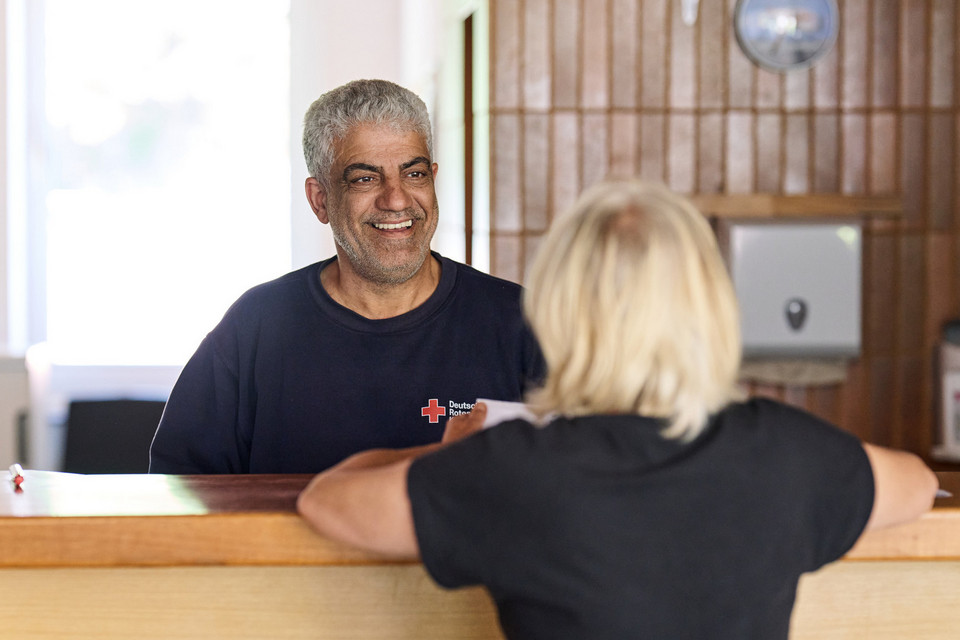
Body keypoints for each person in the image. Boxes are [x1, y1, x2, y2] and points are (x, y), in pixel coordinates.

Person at [296, 179, 939, 639]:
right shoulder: (788, 452)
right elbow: (917, 485)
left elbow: (327, 501)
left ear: (560, 312)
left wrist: (452, 452)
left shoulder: (510, 470)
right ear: (709, 306)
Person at [149, 79, 544, 474]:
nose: (397, 199)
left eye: (415, 174)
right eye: (364, 178)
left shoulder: (520, 323)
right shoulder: (256, 326)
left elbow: (583, 484)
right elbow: (178, 492)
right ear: (320, 200)